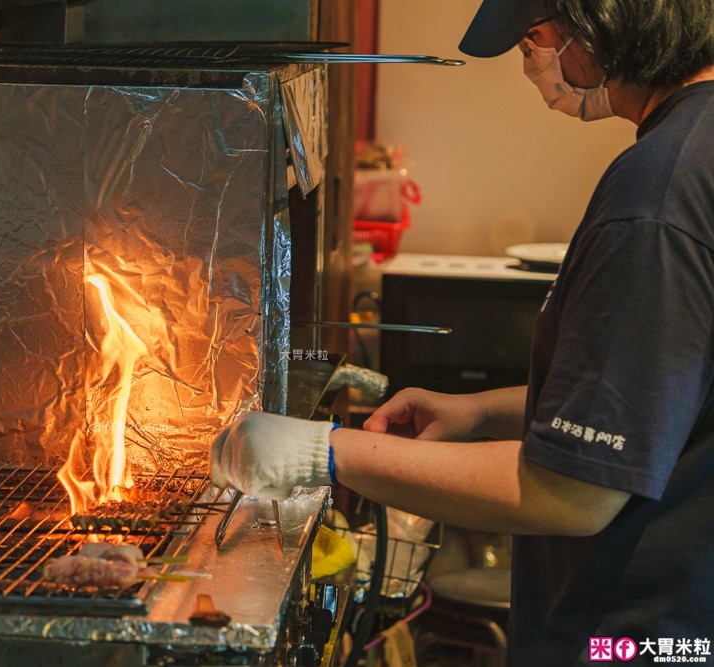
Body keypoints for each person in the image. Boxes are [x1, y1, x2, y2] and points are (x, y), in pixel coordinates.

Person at [209, 0, 714, 664]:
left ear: (600, 21)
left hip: (632, 638)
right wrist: (482, 413)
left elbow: (574, 491)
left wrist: (323, 453)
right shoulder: (695, 151)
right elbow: (660, 390)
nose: (531, 64)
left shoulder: (657, 197)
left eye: (534, 38)